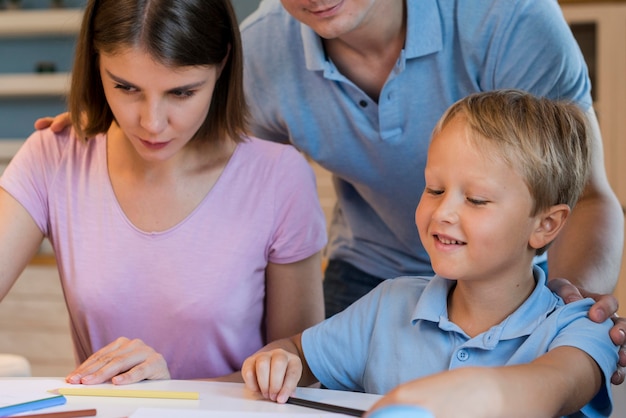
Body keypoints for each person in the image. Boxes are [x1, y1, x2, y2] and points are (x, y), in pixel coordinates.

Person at [35, 0, 626, 381]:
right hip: (370, 283)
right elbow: (186, 138)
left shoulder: (509, 19)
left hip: (509, 289)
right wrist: (94, 130)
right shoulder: (262, 52)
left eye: (473, 196)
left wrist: (576, 313)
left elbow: (588, 196)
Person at [2, 0, 327, 385]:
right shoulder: (54, 156)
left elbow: (300, 373)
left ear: (222, 64)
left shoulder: (279, 178)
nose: (152, 123)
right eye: (125, 87)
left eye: (182, 93)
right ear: (95, 61)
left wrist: (168, 393)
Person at [241, 90, 619, 418]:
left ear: (546, 225)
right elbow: (297, 352)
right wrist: (280, 360)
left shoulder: (579, 327)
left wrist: (472, 393)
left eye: (476, 199)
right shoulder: (386, 306)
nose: (442, 213)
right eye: (435, 190)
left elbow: (556, 384)